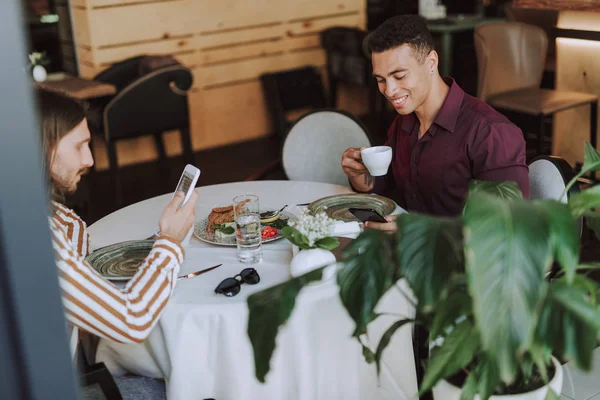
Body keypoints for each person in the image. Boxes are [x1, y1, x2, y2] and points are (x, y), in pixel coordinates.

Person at [37, 89, 198, 356]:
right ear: (42, 148)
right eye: (78, 146)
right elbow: (131, 320)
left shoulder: (42, 213)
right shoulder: (38, 237)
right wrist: (169, 244)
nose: (89, 160)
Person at [341, 15, 529, 231]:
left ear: (431, 63)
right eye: (381, 80)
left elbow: (509, 227)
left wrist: (416, 228)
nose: (389, 91)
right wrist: (359, 176)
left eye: (399, 76)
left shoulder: (491, 133)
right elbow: (382, 186)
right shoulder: (404, 121)